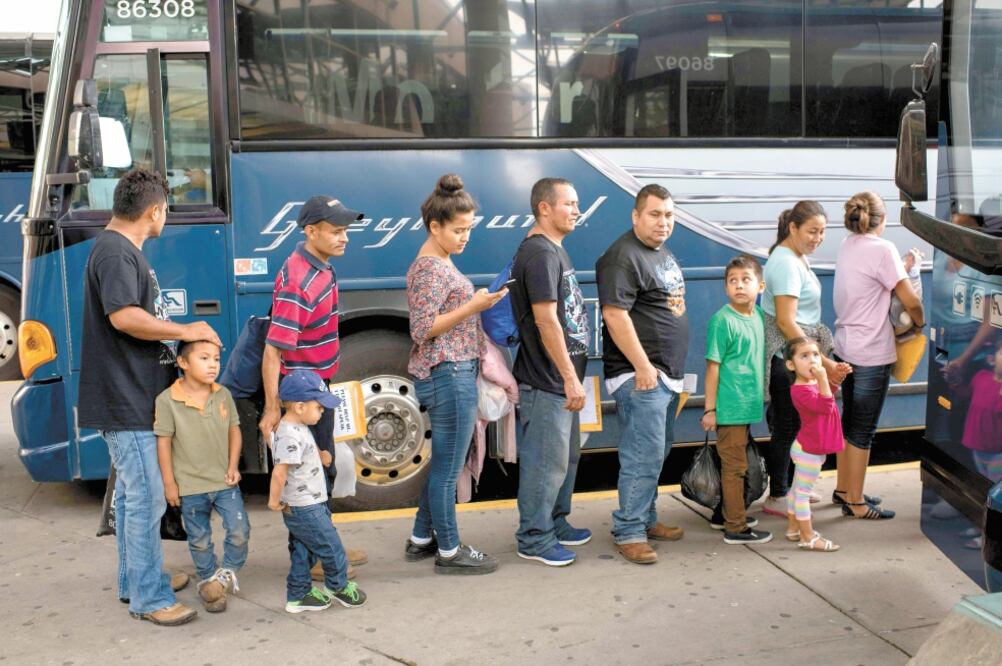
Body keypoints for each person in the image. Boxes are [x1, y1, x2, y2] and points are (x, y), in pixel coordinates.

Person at [78, 167, 221, 626]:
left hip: (131, 395)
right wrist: (185, 329)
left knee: (131, 499)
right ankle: (150, 598)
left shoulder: (117, 248)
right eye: (167, 210)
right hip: (126, 398)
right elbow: (123, 317)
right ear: (154, 210)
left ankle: (134, 580)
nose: (167, 218)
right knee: (146, 499)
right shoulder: (117, 253)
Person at [257, 195, 368, 574]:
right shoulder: (300, 281)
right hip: (303, 395)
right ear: (311, 231)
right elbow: (274, 352)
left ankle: (326, 544)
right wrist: (274, 409)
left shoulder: (319, 265)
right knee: (310, 478)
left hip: (317, 385)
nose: (344, 238)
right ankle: (318, 558)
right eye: (336, 231)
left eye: (345, 231)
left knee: (324, 471)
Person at [404, 174, 506, 575]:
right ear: (435, 226)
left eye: (469, 229)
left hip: (451, 370)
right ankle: (449, 551)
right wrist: (474, 306)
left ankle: (421, 537)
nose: (466, 237)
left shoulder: (440, 261)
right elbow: (422, 328)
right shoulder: (428, 268)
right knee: (449, 467)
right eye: (459, 230)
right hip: (448, 373)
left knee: (446, 459)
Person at [596, 184, 688, 564]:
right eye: (654, 214)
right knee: (642, 456)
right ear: (635, 216)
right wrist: (643, 367)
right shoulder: (623, 256)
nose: (663, 222)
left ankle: (646, 519)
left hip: (663, 376)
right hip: (642, 376)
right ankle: (629, 530)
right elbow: (614, 315)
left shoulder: (658, 251)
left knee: (656, 452)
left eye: (668, 215)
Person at [510, 177, 591, 567]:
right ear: (545, 208)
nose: (577, 210)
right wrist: (569, 377)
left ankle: (556, 522)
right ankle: (534, 537)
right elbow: (546, 322)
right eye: (570, 204)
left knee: (567, 457)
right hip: (548, 380)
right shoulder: (540, 253)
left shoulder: (555, 250)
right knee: (546, 461)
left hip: (562, 378)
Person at [832, 192, 924, 520]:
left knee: (849, 423)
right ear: (882, 220)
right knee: (863, 429)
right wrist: (921, 319)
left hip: (845, 348)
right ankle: (856, 502)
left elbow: (872, 280)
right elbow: (909, 301)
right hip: (871, 352)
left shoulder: (847, 244)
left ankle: (844, 489)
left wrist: (904, 265)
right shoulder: (883, 249)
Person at [761, 201, 851, 518]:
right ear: (793, 228)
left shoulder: (795, 257)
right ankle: (778, 496)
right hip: (787, 359)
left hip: (799, 355)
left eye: (823, 232)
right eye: (812, 231)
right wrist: (824, 363)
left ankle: (794, 488)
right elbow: (787, 321)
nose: (817, 238)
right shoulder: (785, 263)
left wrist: (820, 360)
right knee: (787, 428)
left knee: (798, 426)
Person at [154, 340, 249, 612]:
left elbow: (234, 430)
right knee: (199, 539)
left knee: (240, 531)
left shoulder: (223, 395)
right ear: (183, 363)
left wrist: (233, 465)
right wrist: (169, 484)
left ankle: (223, 576)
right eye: (204, 358)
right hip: (190, 486)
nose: (213, 365)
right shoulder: (167, 400)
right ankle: (208, 581)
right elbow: (163, 442)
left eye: (217, 359)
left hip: (225, 482)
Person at [268, 370, 367, 612]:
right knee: (331, 547)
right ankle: (338, 586)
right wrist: (273, 500)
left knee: (305, 550)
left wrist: (319, 456)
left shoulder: (298, 426)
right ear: (300, 407)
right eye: (319, 408)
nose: (322, 412)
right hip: (305, 507)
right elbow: (280, 472)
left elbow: (298, 460)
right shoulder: (289, 434)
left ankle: (299, 595)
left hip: (308, 503)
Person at [701, 255, 773, 545]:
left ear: (760, 286)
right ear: (726, 288)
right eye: (733, 281)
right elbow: (712, 367)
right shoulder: (722, 321)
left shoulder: (756, 317)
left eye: (746, 280)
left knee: (736, 464)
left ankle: (725, 514)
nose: (739, 286)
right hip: (729, 407)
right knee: (735, 468)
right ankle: (736, 527)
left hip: (747, 405)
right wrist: (710, 409)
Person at [783, 337, 845, 552]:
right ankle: (807, 537)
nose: (813, 360)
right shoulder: (800, 390)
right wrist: (825, 379)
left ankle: (793, 529)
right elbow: (826, 405)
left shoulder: (810, 384)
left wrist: (835, 380)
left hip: (808, 446)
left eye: (816, 355)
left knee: (796, 490)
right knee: (802, 494)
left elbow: (827, 394)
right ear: (791, 365)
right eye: (804, 356)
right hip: (809, 450)